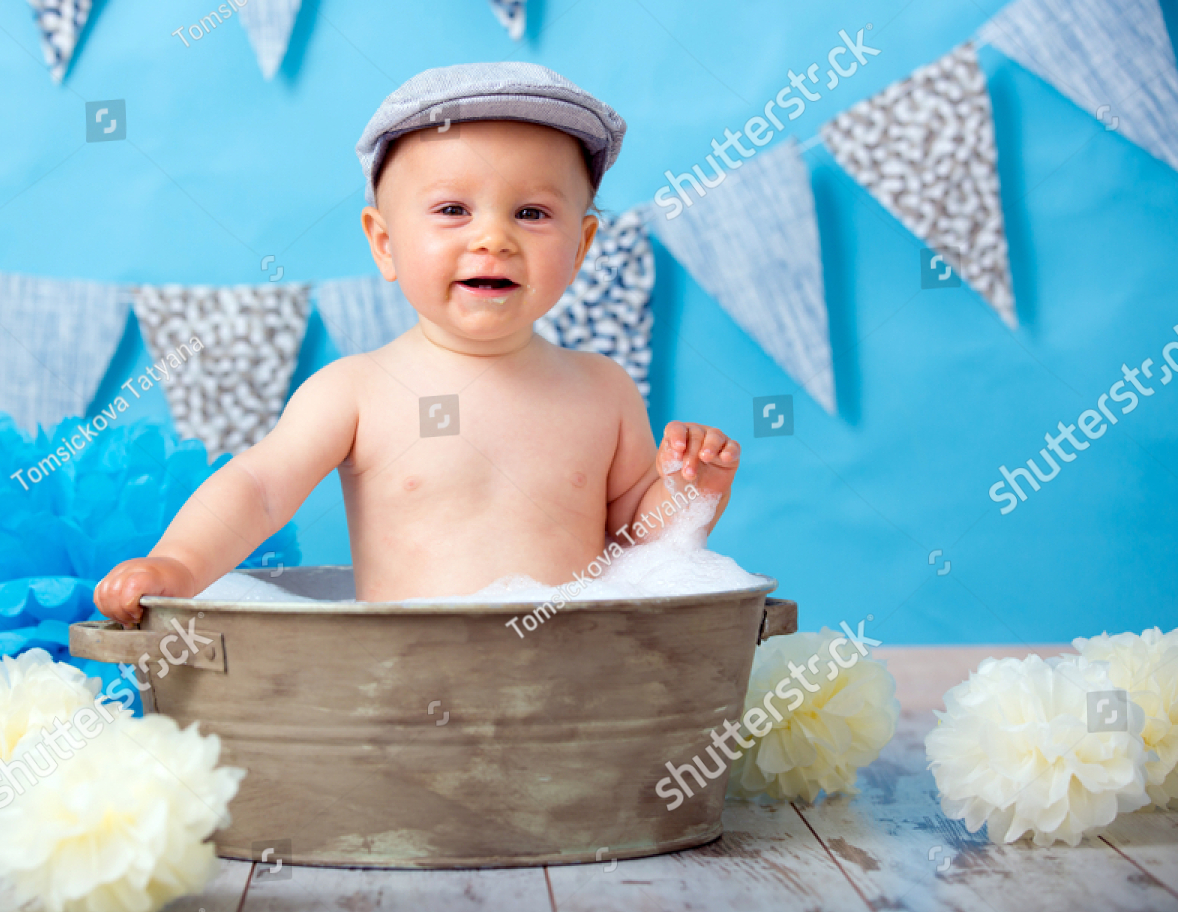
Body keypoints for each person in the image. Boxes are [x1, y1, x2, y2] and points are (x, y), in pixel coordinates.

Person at [95, 62, 740, 622]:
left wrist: (689, 493)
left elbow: (635, 544)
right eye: (453, 210)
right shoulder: (356, 391)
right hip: (405, 691)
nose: (493, 238)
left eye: (533, 213)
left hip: (568, 691)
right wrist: (176, 563)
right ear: (384, 243)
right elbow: (259, 488)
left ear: (582, 248)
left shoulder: (603, 389)